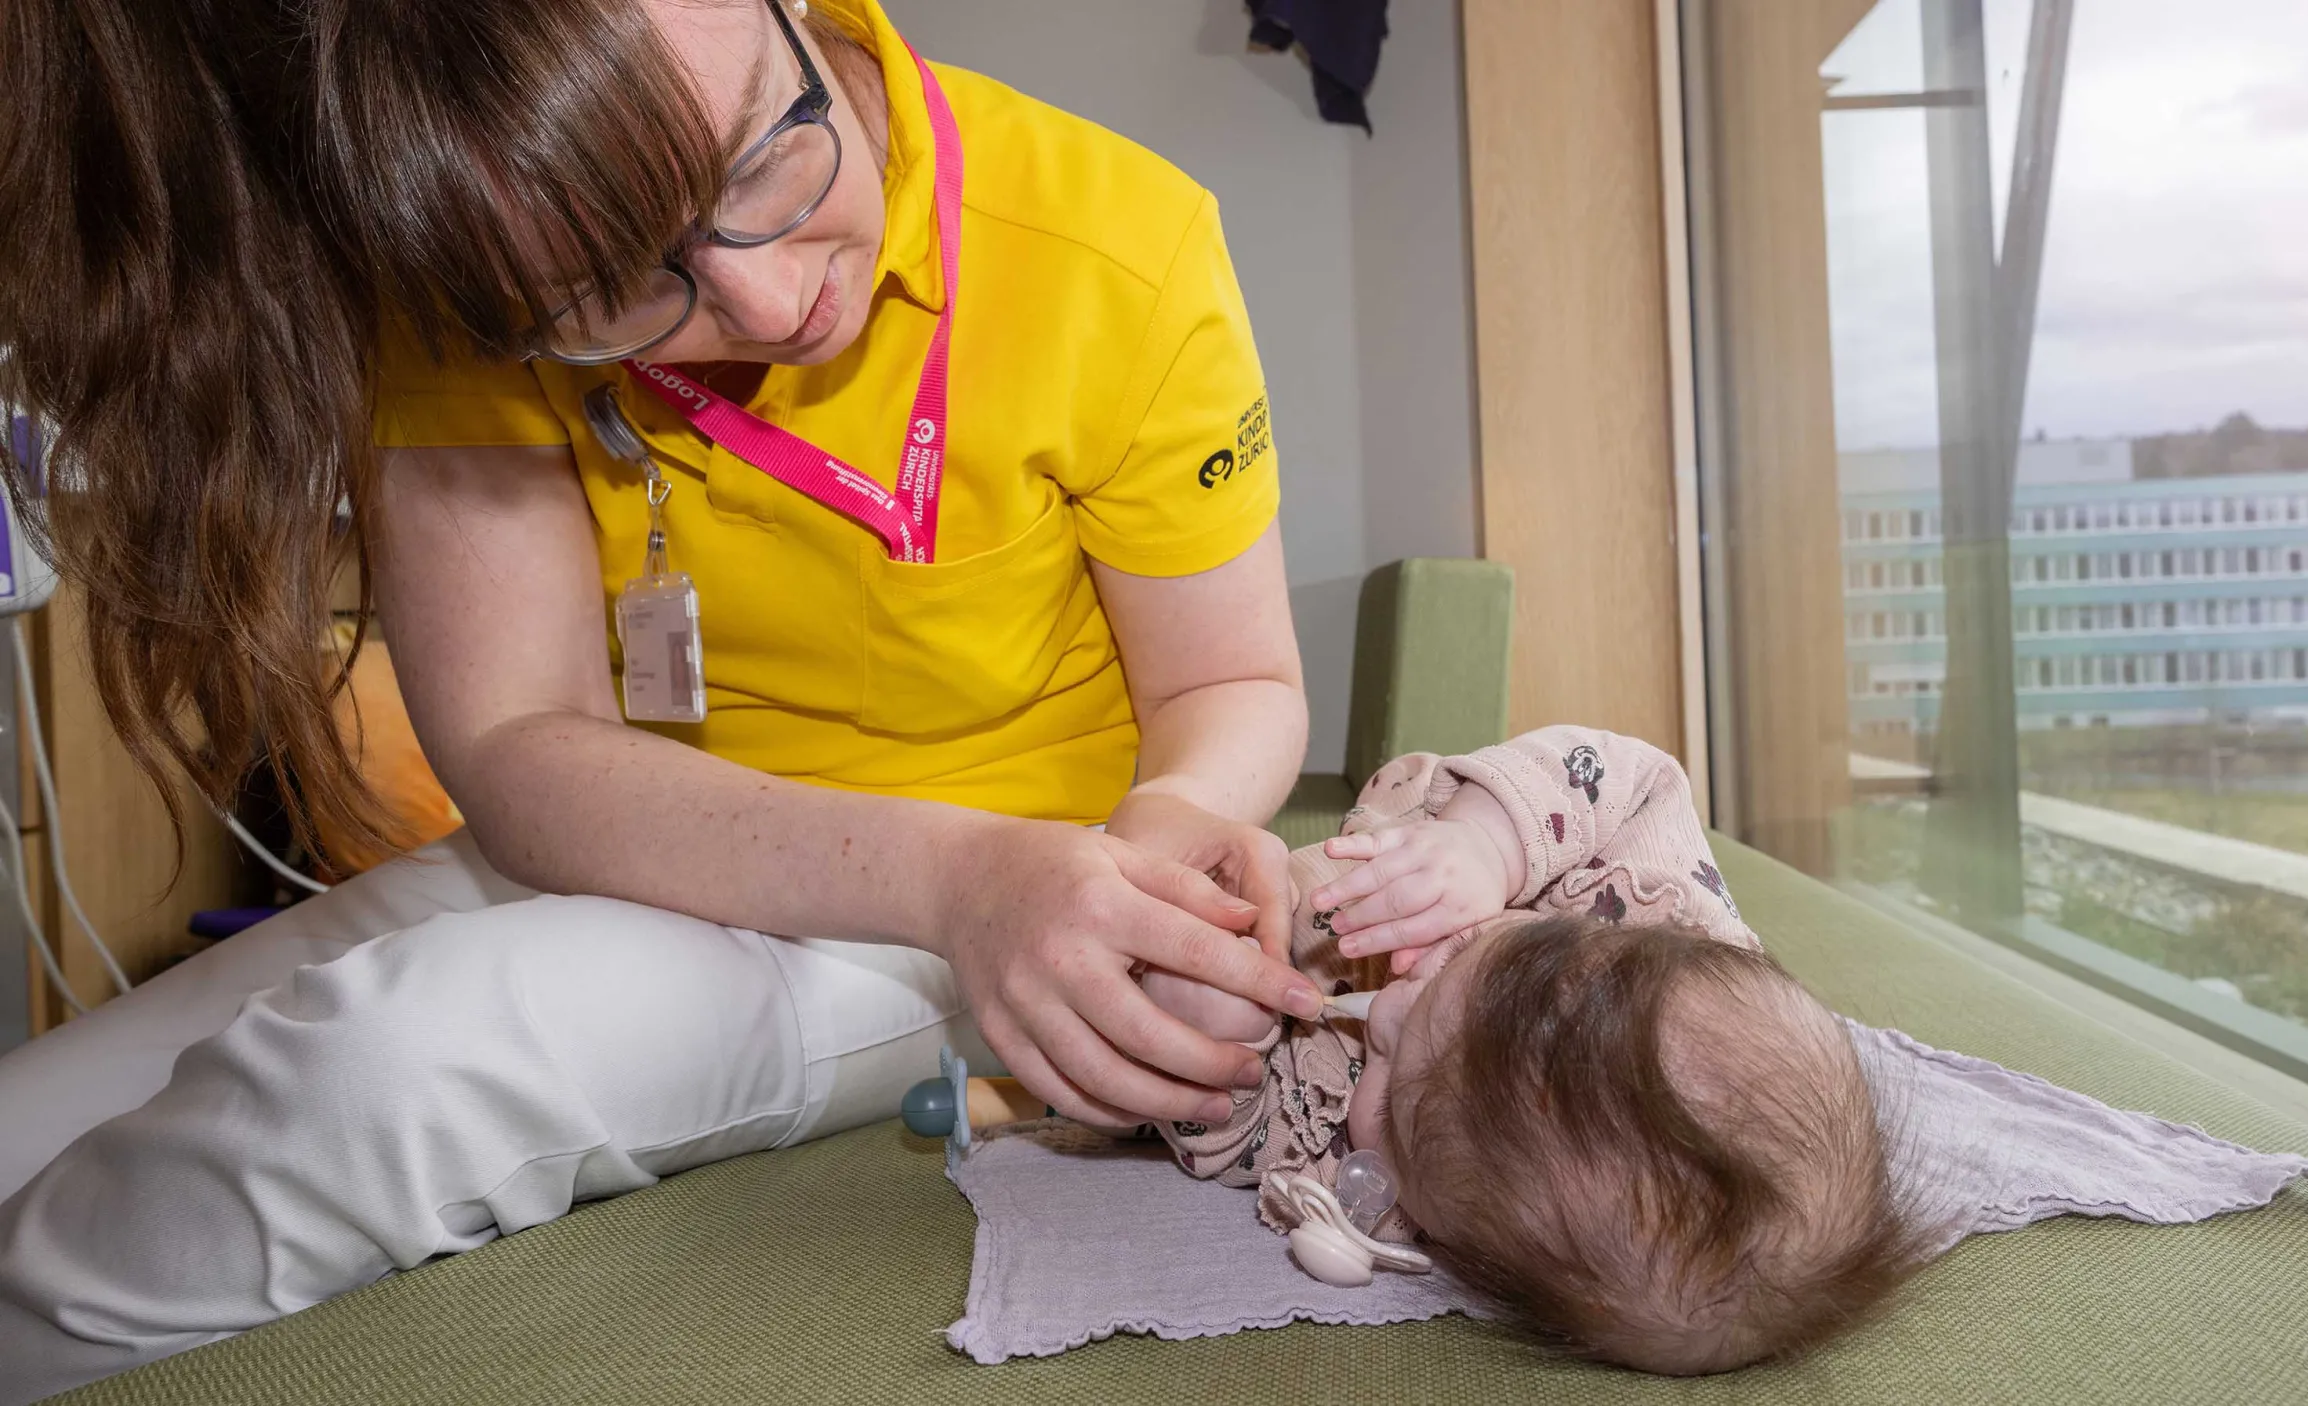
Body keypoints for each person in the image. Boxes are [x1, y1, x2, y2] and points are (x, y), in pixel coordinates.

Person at [0, 0, 1328, 1394]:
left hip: (992, 916)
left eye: (761, 163)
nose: (763, 306)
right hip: (632, 838)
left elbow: (1233, 677)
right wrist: (956, 873)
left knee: (390, 1073)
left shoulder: (1119, 243)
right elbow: (519, 746)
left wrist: (1153, 831)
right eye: (625, 288)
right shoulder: (477, 263)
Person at [1144, 727, 1918, 1374]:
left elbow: (1230, 1135)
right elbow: (1632, 778)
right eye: (1455, 969)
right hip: (1403, 844)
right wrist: (1486, 844)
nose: (1382, 1018)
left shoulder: (1371, 1197)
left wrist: (1208, 1020)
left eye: (1390, 1088)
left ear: (1463, 1252)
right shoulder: (1648, 908)